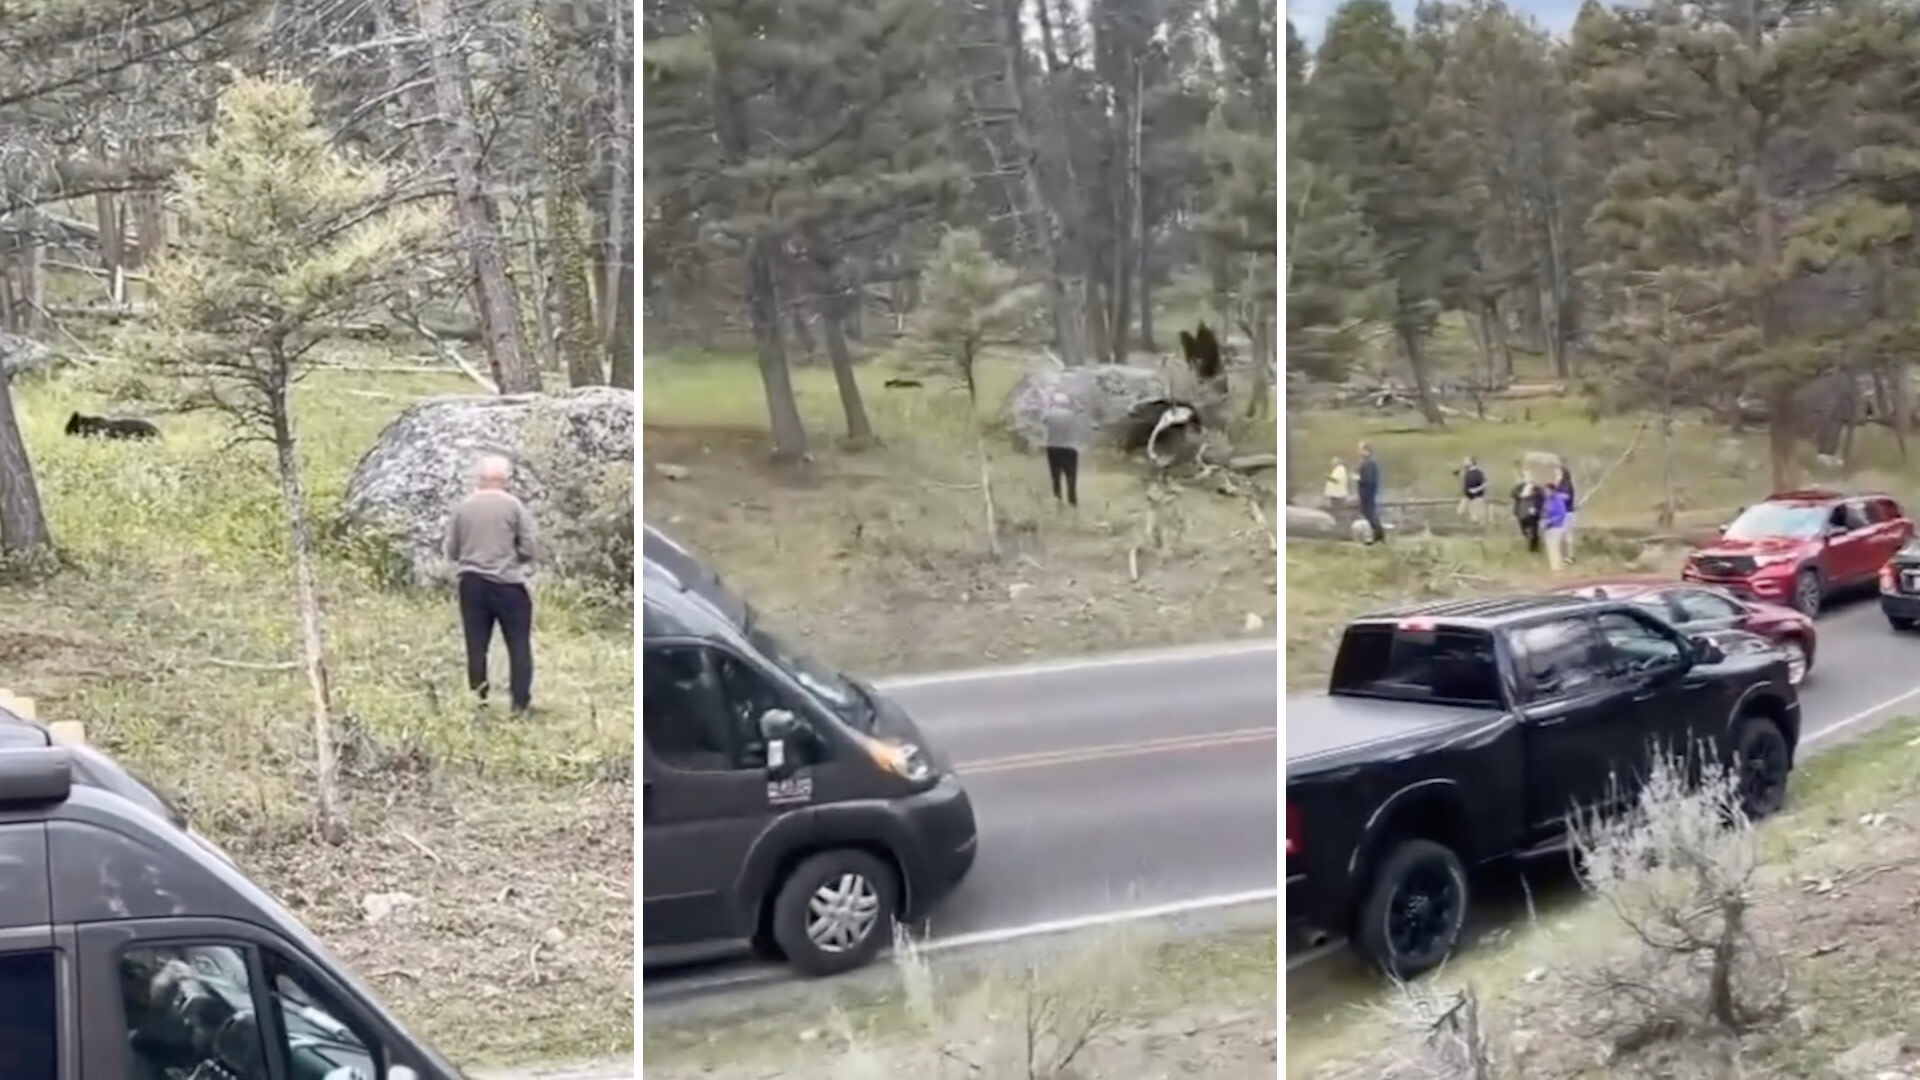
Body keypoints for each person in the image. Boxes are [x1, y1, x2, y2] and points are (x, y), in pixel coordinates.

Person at [444, 454, 539, 713]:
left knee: (476, 646)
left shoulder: (463, 508)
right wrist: (512, 557)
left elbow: (452, 549)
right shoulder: (514, 507)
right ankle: (520, 704)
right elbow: (530, 547)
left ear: (480, 478)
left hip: (471, 585)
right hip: (508, 585)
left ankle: (479, 701)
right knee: (519, 646)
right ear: (505, 479)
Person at [1040, 391, 1084, 507]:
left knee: (1056, 477)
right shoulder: (1072, 414)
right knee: (1071, 478)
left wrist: (1048, 405)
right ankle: (1072, 501)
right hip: (1070, 449)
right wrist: (1074, 400)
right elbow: (1081, 410)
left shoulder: (1050, 414)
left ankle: (1058, 499)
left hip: (1053, 448)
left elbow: (1042, 419)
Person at [1356, 441, 1384, 545]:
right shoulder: (1368, 462)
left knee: (1370, 513)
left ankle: (1379, 534)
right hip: (1368, 492)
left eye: (1360, 449)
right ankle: (1377, 535)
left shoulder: (1368, 463)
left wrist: (1359, 479)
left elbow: (1368, 479)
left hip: (1367, 493)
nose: (1358, 452)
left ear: (1366, 451)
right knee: (1369, 513)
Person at [1542, 480, 1572, 570]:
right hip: (1548, 527)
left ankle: (1557, 567)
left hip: (1556, 527)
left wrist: (1550, 521)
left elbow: (1561, 514)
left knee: (1555, 547)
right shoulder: (1547, 501)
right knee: (1550, 548)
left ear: (1552, 491)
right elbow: (1544, 512)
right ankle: (1554, 566)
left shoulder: (1557, 500)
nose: (1546, 492)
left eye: (1547, 490)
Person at [1511, 469, 1543, 553]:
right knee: (1524, 529)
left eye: (1528, 476)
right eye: (1525, 477)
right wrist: (1519, 495)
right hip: (1521, 511)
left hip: (1532, 512)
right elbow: (1513, 493)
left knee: (1533, 529)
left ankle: (1534, 548)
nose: (1526, 478)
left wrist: (1535, 508)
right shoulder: (1520, 487)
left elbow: (1541, 498)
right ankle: (1528, 539)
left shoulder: (1537, 488)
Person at [1553, 464, 1578, 561]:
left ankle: (1570, 556)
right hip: (1560, 513)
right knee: (1562, 536)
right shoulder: (1559, 485)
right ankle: (1565, 555)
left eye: (1557, 473)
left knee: (1567, 535)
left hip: (1567, 512)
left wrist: (1555, 495)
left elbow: (1566, 497)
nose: (1556, 475)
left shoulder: (1566, 484)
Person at [1458, 455, 1488, 526]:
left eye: (1466, 461)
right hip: (1468, 497)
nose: (1464, 462)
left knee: (1476, 518)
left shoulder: (1478, 473)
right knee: (1460, 512)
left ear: (1471, 462)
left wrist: (1476, 490)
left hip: (1476, 498)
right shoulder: (1466, 473)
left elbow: (1486, 483)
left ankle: (1477, 532)